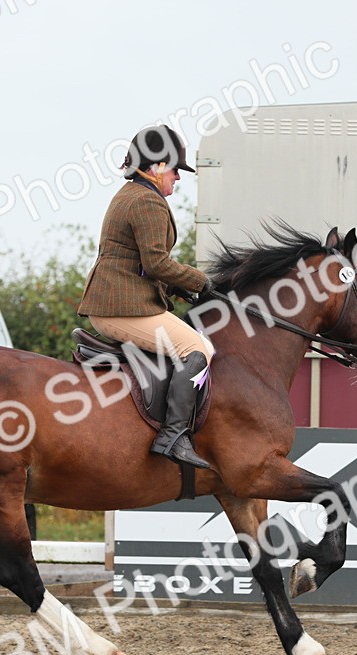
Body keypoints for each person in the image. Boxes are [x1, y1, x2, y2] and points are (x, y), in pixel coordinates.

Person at [77, 125, 213, 470]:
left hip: (121, 300)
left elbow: (139, 263)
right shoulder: (147, 200)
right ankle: (173, 436)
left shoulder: (132, 194)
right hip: (121, 307)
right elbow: (156, 263)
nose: (178, 177)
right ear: (157, 166)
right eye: (176, 169)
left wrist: (176, 287)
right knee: (198, 349)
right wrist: (202, 282)